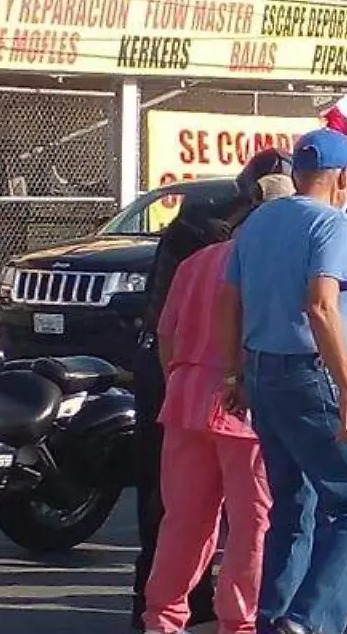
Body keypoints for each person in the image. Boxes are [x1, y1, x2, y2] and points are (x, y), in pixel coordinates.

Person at [218, 128, 347, 634]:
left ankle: (273, 619)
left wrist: (235, 372)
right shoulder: (331, 223)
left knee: (293, 505)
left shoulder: (259, 221)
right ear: (342, 178)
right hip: (312, 374)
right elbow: (321, 306)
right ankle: (310, 622)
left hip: (261, 370)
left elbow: (230, 300)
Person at [131, 148, 291, 631]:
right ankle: (238, 623)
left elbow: (166, 332)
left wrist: (182, 378)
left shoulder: (198, 261)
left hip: (185, 400)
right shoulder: (271, 266)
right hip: (245, 404)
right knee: (251, 525)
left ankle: (162, 618)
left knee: (183, 520)